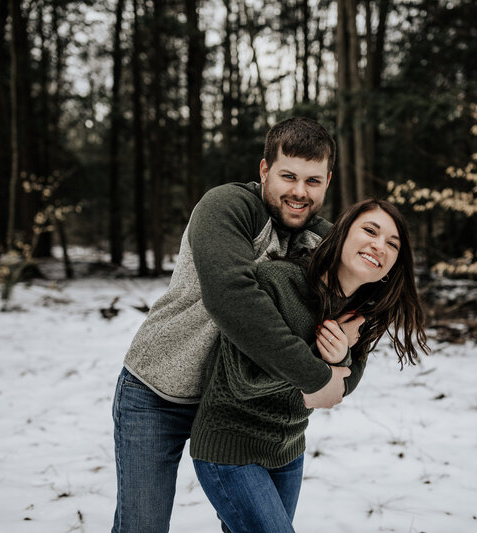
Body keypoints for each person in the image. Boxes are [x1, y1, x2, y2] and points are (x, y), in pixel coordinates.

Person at [111, 117, 365, 533]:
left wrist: (343, 367)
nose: (300, 192)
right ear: (264, 170)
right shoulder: (228, 206)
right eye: (288, 176)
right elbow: (232, 299)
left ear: (328, 181)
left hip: (242, 413)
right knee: (142, 526)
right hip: (159, 392)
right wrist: (316, 377)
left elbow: (360, 318)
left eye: (313, 181)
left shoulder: (323, 241)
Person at [190, 198, 430, 533]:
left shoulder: (358, 309)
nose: (380, 245)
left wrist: (341, 355)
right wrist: (322, 360)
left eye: (393, 244)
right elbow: (245, 380)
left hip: (288, 451)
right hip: (231, 448)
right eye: (370, 231)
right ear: (342, 233)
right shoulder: (278, 281)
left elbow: (345, 381)